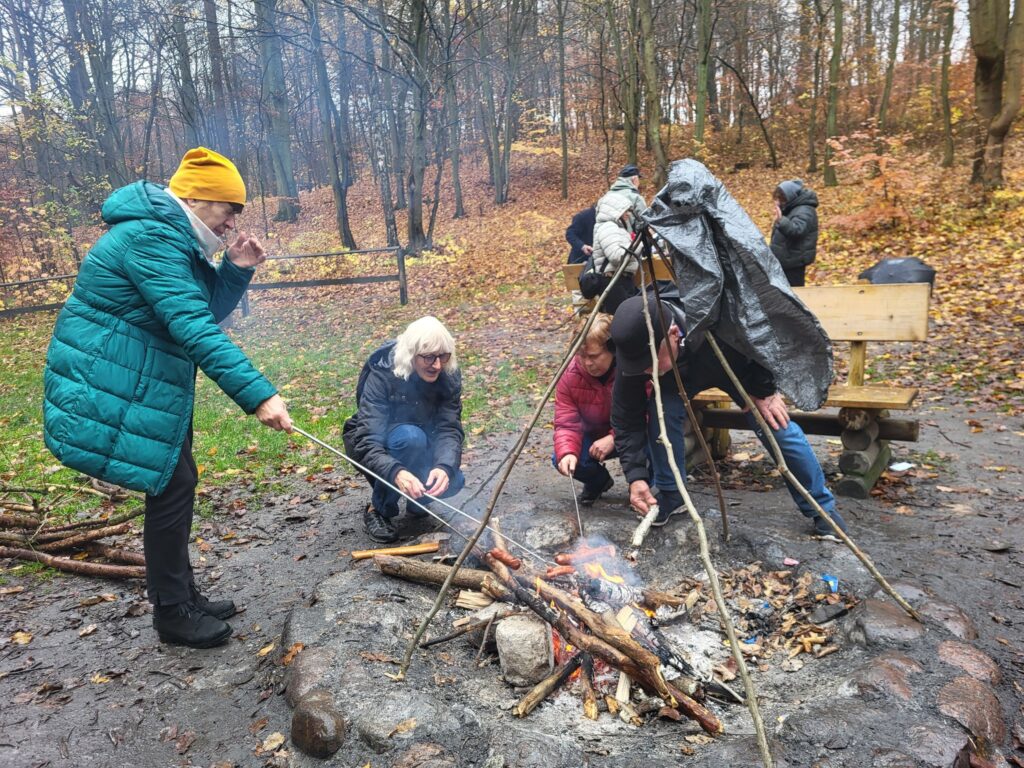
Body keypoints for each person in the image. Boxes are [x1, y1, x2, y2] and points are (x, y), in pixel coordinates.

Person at [43, 147, 293, 649]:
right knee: (170, 482)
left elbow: (203, 308)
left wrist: (237, 268)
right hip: (110, 377)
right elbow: (194, 327)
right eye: (229, 210)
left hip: (142, 378)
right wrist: (258, 396)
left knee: (174, 480)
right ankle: (174, 613)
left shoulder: (171, 234)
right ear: (198, 198)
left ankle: (180, 596)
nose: (231, 223)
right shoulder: (150, 237)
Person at [609, 294, 847, 536]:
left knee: (773, 423)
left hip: (732, 363)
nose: (646, 371)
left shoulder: (715, 312)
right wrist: (636, 476)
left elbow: (762, 336)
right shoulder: (636, 346)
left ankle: (821, 508)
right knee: (660, 414)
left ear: (673, 334)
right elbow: (625, 418)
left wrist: (763, 388)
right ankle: (671, 493)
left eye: (650, 362)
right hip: (674, 377)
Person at [343, 316, 466, 543]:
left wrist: (444, 467)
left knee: (455, 481)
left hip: (420, 440)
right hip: (384, 443)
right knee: (410, 438)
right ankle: (378, 509)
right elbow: (367, 440)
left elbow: (449, 428)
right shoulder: (382, 372)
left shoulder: (447, 374)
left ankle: (417, 501)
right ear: (411, 355)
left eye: (443, 356)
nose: (437, 365)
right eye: (429, 357)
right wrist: (396, 472)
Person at [553, 313, 618, 505]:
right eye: (582, 356)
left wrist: (615, 437)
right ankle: (598, 481)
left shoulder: (630, 369)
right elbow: (566, 424)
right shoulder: (570, 376)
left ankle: (648, 485)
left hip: (630, 433)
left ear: (612, 349)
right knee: (561, 456)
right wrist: (567, 453)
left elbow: (646, 415)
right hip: (592, 436)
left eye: (594, 356)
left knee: (652, 444)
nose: (588, 363)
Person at [770, 179, 819, 287]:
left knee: (795, 294)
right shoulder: (791, 209)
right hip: (786, 261)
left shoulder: (805, 210)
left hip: (794, 263)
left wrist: (781, 220)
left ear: (788, 197)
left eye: (780, 199)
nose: (777, 202)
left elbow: (797, 230)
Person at [604, 164, 647, 228]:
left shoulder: (607, 196)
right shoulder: (635, 197)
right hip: (627, 237)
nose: (639, 182)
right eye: (638, 179)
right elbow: (644, 223)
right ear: (634, 179)